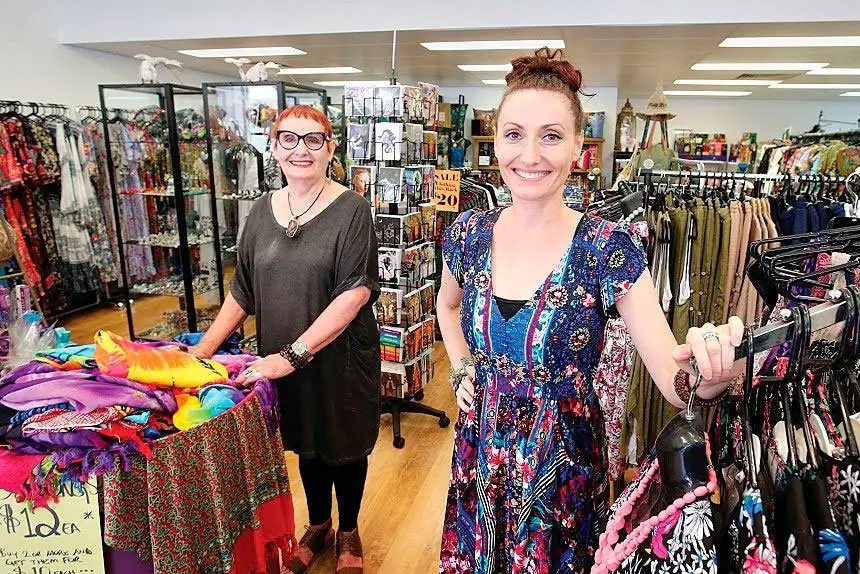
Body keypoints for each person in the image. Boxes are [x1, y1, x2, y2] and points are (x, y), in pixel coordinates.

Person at [436, 48, 746, 573]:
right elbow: (447, 306)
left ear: (579, 145)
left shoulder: (606, 248)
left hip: (562, 473)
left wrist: (712, 371)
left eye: (551, 135)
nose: (529, 154)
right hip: (478, 458)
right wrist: (463, 365)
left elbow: (675, 382)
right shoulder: (467, 234)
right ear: (496, 142)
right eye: (514, 134)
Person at [190, 105, 380, 574]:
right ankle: (318, 526)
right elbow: (243, 291)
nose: (301, 149)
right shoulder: (260, 211)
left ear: (330, 149)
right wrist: (203, 350)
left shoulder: (352, 210)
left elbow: (353, 294)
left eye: (314, 140)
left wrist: (292, 356)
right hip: (279, 356)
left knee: (344, 445)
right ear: (273, 147)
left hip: (338, 360)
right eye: (289, 139)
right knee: (306, 443)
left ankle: (350, 531)